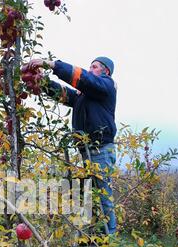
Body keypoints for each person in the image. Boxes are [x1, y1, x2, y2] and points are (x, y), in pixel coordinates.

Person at [28, 57, 117, 234]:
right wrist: (42, 81)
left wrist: (53, 65)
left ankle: (109, 236)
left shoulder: (107, 85)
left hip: (100, 150)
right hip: (87, 150)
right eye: (90, 66)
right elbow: (64, 94)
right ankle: (95, 235)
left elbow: (85, 79)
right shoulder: (85, 95)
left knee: (102, 194)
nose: (90, 69)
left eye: (95, 67)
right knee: (90, 194)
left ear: (105, 72)